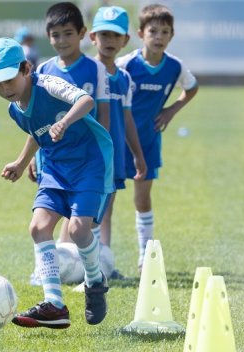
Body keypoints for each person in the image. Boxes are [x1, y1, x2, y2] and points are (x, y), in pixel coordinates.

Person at [0, 37, 113, 328]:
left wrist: (65, 122)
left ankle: (95, 281)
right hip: (54, 168)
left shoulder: (47, 84)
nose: (4, 89)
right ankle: (54, 304)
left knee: (78, 230)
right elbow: (36, 133)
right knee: (38, 227)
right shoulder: (15, 109)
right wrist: (21, 162)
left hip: (89, 162)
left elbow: (86, 100)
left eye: (8, 80)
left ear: (26, 68)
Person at [28, 1, 112, 284]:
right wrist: (31, 158)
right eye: (55, 35)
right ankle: (50, 271)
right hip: (53, 160)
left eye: (68, 33)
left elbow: (103, 116)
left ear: (82, 33)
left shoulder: (96, 69)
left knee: (81, 222)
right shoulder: (43, 71)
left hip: (88, 159)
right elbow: (35, 120)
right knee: (44, 218)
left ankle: (89, 273)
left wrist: (107, 155)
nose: (61, 41)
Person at [116, 3, 198, 271]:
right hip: (118, 141)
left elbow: (192, 87)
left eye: (165, 31)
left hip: (148, 141)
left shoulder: (175, 67)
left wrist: (171, 110)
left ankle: (145, 256)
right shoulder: (125, 64)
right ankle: (100, 256)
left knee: (142, 198)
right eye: (153, 31)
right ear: (141, 33)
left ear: (172, 35)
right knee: (106, 198)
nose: (159, 36)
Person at [89, 5, 147, 278]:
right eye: (104, 35)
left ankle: (104, 263)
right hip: (85, 155)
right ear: (92, 37)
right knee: (80, 210)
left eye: (116, 35)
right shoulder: (86, 71)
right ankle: (69, 263)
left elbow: (127, 120)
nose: (109, 41)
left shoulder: (124, 78)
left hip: (113, 155)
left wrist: (137, 154)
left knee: (107, 208)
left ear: (126, 40)